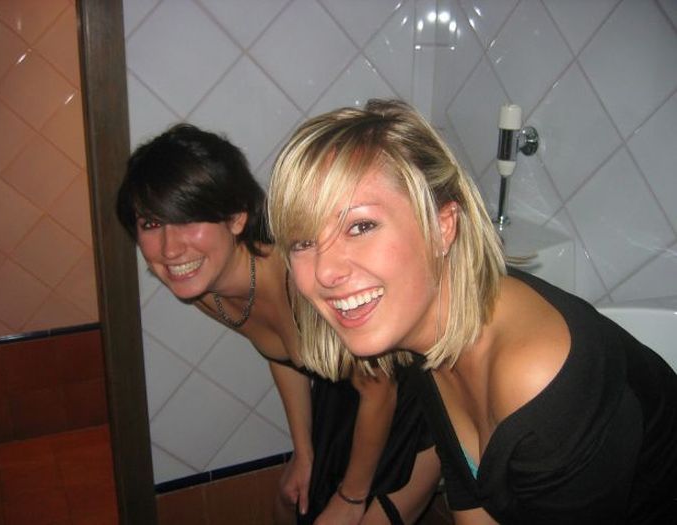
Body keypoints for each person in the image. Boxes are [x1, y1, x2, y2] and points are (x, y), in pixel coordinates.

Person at [266, 99, 677, 524]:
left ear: (443, 226)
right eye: (302, 242)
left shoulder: (537, 379)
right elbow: (470, 489)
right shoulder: (429, 330)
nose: (325, 271)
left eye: (360, 226)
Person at [116, 124, 441, 524]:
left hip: (410, 401)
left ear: (236, 217)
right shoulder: (203, 290)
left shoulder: (300, 280)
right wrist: (303, 454)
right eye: (151, 224)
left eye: (188, 219)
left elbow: (380, 389)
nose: (169, 248)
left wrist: (352, 497)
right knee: (288, 510)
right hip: (345, 398)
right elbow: (282, 354)